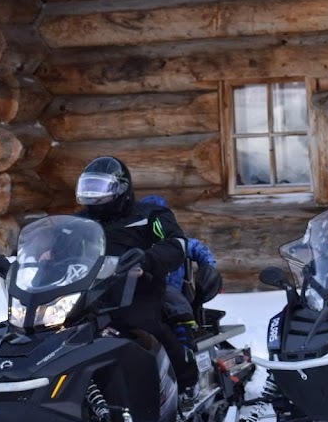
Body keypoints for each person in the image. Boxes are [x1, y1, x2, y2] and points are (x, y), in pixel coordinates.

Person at [74, 156, 199, 394]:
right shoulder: (80, 221)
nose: (93, 195)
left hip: (136, 292)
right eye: (89, 188)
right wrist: (40, 254)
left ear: (121, 187)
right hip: (85, 295)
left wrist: (147, 260)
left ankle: (184, 382)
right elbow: (60, 245)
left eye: (99, 188)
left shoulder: (149, 216)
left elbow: (175, 244)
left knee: (141, 326)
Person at [138, 195, 221, 345]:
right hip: (142, 292)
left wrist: (207, 268)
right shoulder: (136, 245)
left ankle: (184, 335)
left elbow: (198, 249)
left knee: (173, 299)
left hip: (170, 291)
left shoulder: (177, 243)